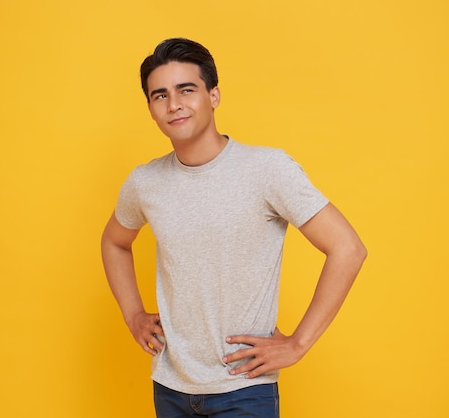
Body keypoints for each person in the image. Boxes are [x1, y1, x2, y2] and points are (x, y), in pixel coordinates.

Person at [101, 37, 367, 418]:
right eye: (159, 95)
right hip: (170, 387)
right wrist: (133, 314)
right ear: (150, 108)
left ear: (214, 95)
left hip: (243, 390)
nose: (173, 104)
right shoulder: (145, 183)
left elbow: (348, 248)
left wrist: (298, 344)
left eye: (186, 90)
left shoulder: (267, 170)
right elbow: (114, 242)